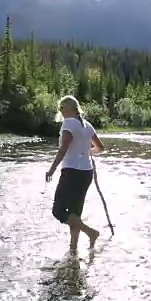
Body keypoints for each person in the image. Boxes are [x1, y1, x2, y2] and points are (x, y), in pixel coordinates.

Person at [45, 95, 105, 251]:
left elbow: (64, 148)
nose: (60, 111)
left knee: (58, 211)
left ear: (69, 108)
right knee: (74, 211)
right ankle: (73, 248)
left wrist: (52, 169)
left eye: (61, 108)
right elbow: (100, 147)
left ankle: (91, 233)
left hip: (72, 172)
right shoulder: (87, 125)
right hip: (86, 173)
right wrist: (84, 152)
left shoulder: (69, 123)